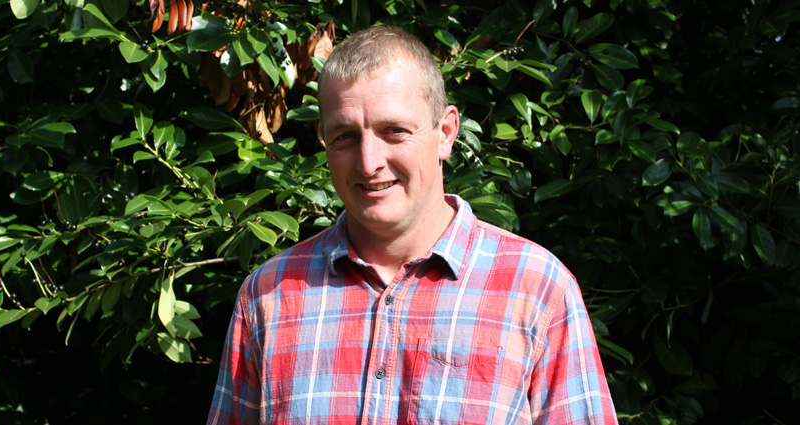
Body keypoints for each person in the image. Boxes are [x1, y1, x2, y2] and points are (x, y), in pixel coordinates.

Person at [207, 25, 617, 425]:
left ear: (446, 133)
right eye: (345, 135)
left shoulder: (537, 289)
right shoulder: (268, 296)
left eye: (394, 131)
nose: (369, 162)